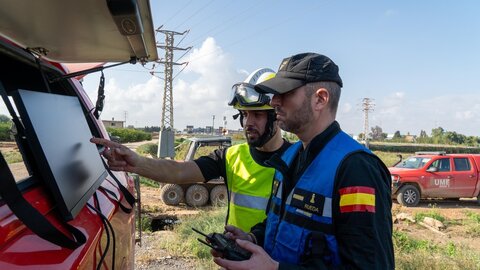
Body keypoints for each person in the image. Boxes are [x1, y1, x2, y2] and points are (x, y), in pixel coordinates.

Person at [212, 53, 394, 269]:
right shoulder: (288, 158)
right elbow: (279, 223)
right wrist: (252, 239)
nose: (274, 102)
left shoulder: (356, 169)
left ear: (320, 99)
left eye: (284, 93)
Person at [91, 68, 291, 232]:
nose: (248, 122)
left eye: (256, 115)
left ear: (277, 115)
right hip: (238, 257)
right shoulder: (232, 156)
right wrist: (136, 162)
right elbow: (178, 171)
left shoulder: (300, 159)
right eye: (244, 114)